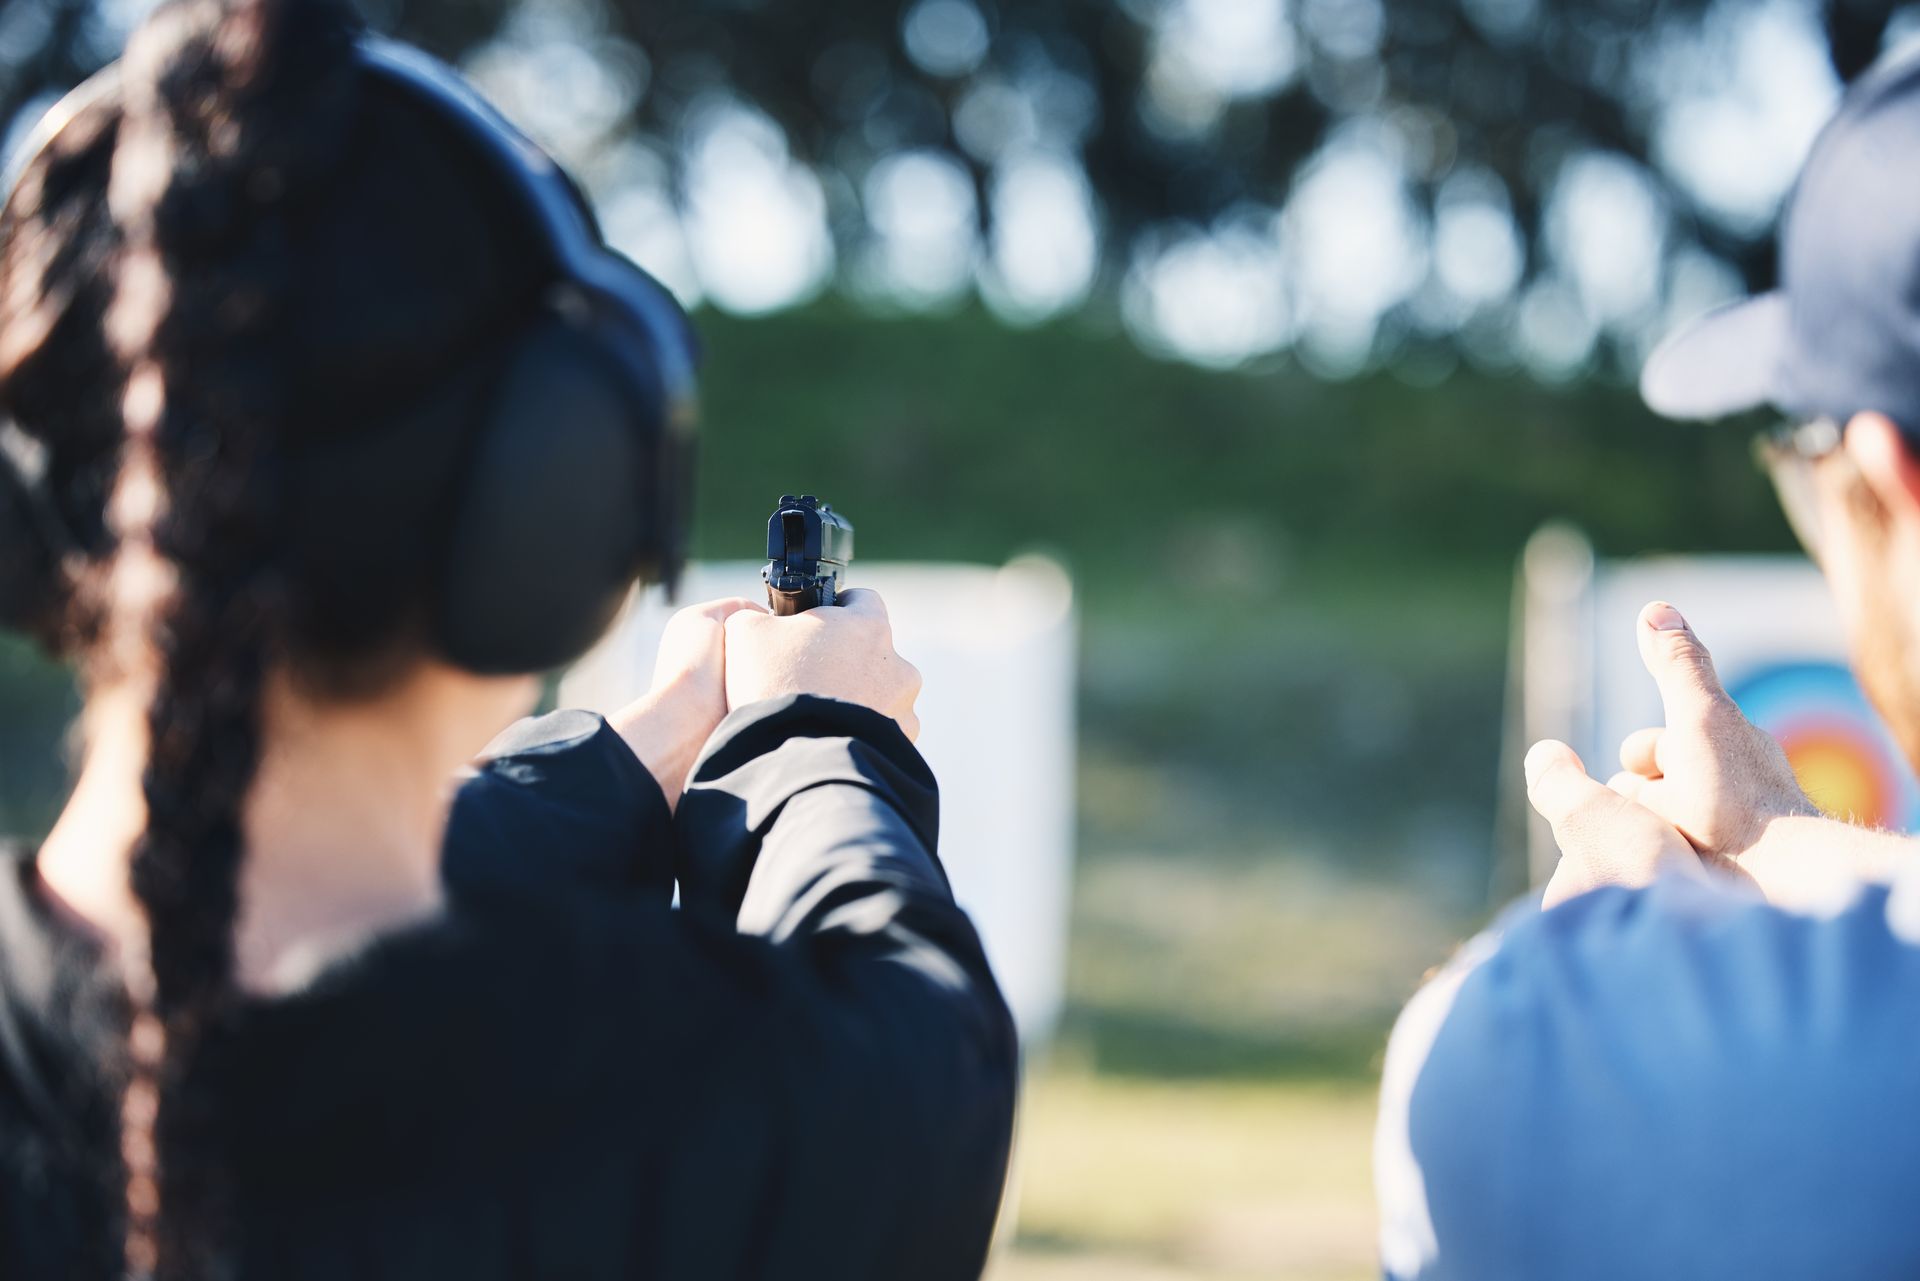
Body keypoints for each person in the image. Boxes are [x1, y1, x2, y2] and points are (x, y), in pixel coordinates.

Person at [0, 1, 1017, 1279]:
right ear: (557, 492)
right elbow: (919, 1035)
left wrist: (631, 767)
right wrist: (821, 738)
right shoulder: (746, 1120)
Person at [1375, 48, 1920, 1280]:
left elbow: (1481, 1058)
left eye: (1806, 462)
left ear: (1892, 477)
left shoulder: (1540, 1049)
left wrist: (1644, 945)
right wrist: (1785, 846)